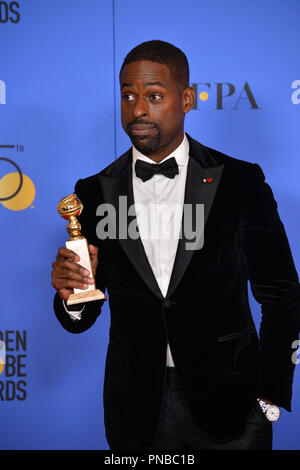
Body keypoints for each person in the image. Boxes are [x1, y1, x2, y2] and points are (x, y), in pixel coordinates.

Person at [51, 40, 300, 450]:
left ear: (186, 99)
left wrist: (270, 394)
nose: (138, 110)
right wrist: (70, 296)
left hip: (232, 406)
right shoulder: (93, 193)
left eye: (153, 96)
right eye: (128, 96)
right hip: (136, 412)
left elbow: (282, 294)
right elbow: (82, 314)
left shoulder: (239, 182)